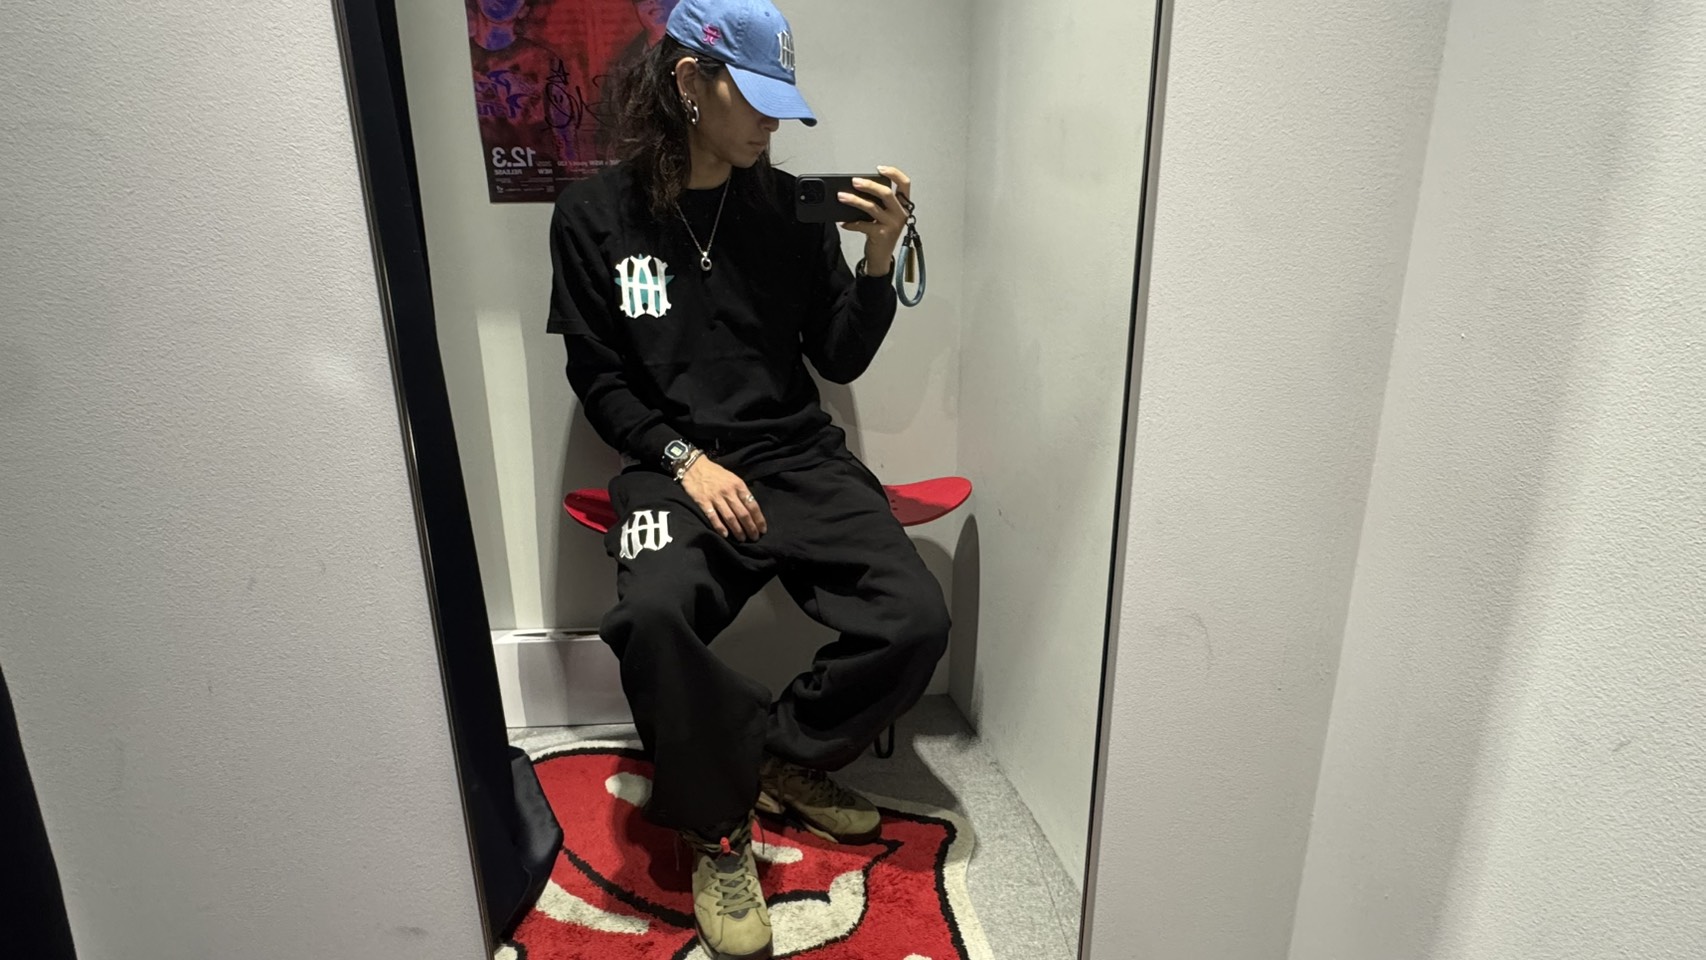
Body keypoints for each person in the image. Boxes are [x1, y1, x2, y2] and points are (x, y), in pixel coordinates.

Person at [545, 1, 949, 957]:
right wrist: (685, 461)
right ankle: (718, 829)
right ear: (691, 82)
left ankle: (774, 754)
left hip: (794, 453)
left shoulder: (787, 209)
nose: (776, 122)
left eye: (783, 101)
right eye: (757, 99)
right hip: (670, 465)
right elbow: (599, 380)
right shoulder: (593, 217)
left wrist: (877, 263)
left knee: (914, 619)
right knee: (653, 618)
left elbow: (837, 357)